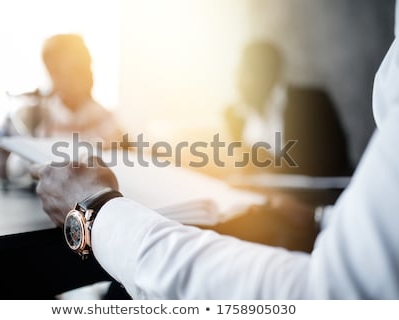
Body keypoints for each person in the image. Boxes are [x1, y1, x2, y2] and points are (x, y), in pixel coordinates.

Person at [31, 11, 399, 298]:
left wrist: (96, 211)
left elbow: (333, 296)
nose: (241, 81)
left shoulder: (309, 103)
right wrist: (322, 218)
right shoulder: (233, 115)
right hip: (284, 215)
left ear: (273, 72)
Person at [0, 34, 122, 182]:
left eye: (88, 65)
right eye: (77, 69)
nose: (89, 74)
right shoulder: (29, 113)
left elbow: (121, 165)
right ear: (53, 73)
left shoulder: (104, 118)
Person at [225, 41, 352, 176]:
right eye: (237, 73)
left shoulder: (310, 103)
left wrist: (266, 159)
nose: (238, 82)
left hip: (319, 194)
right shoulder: (238, 116)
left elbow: (331, 160)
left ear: (268, 73)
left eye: (245, 73)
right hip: (264, 194)